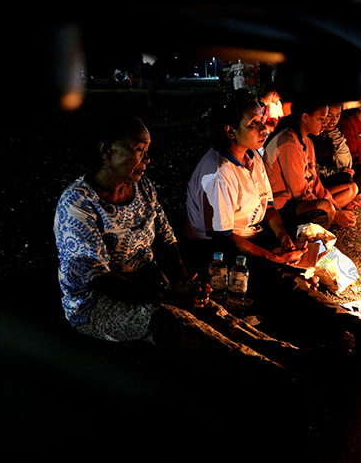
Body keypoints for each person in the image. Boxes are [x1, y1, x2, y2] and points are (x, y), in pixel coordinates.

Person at [53, 113, 338, 381]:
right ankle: (270, 373)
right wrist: (164, 296)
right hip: (95, 305)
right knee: (168, 317)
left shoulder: (142, 188)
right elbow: (97, 279)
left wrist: (180, 281)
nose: (148, 159)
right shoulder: (79, 205)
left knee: (208, 308)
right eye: (139, 150)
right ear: (106, 151)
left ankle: (288, 354)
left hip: (146, 282)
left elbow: (166, 239)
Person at [184, 91, 361, 350]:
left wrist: (285, 239)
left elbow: (269, 208)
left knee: (303, 255)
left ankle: (325, 319)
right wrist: (273, 258)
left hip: (249, 235)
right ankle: (352, 328)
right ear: (230, 131)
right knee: (281, 279)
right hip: (216, 251)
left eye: (262, 120)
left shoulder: (252, 158)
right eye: (254, 123)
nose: (263, 128)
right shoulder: (218, 174)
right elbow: (226, 238)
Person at [263, 96, 357, 233]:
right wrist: (333, 213)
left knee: (341, 194)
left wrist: (335, 208)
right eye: (321, 119)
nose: (325, 123)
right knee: (324, 208)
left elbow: (314, 180)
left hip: (297, 201)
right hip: (280, 207)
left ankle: (327, 216)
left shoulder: (307, 141)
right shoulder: (288, 144)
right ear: (305, 117)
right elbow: (300, 192)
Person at [310, 102, 361, 205]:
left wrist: (333, 133)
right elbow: (312, 170)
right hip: (322, 178)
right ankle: (346, 199)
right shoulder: (314, 135)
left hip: (338, 172)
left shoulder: (333, 133)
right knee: (346, 178)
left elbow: (346, 159)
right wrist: (337, 171)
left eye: (337, 116)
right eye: (329, 116)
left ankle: (350, 195)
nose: (334, 120)